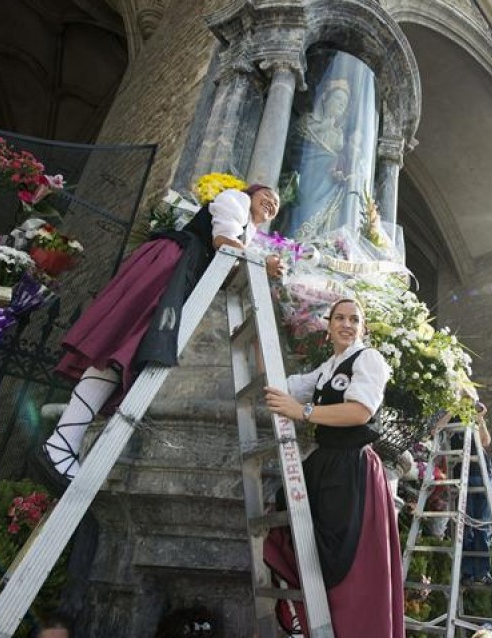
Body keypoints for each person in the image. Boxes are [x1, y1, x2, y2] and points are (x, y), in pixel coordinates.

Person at [39, 184, 281, 482]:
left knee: (124, 353)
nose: (272, 202)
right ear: (251, 192)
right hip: (171, 265)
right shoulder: (236, 199)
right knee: (123, 348)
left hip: (181, 272)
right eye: (267, 195)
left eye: (277, 204)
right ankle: (62, 442)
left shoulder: (248, 230)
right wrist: (260, 263)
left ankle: (64, 440)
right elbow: (222, 241)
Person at [262, 298, 403, 637]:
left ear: (362, 328)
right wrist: (259, 336)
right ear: (328, 324)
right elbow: (284, 386)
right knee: (288, 519)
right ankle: (305, 617)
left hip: (352, 466)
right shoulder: (328, 366)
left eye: (354, 319)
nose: (346, 324)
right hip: (326, 462)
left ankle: (343, 627)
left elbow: (359, 412)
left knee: (343, 558)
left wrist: (303, 412)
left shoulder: (369, 359)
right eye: (339, 317)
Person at [282, 79, 355, 240]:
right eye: (337, 99)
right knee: (304, 207)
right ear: (325, 99)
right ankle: (293, 240)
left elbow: (340, 156)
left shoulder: (339, 135)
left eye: (344, 103)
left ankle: (312, 241)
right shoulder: (309, 121)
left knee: (325, 215)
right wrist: (322, 127)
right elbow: (294, 143)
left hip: (327, 182)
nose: (341, 104)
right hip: (307, 175)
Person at [444, 397, 492, 586]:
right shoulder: (453, 419)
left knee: (482, 526)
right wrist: (454, 408)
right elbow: (437, 428)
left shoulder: (474, 419)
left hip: (481, 474)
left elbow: (486, 441)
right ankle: (467, 572)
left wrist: (480, 419)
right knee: (465, 525)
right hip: (463, 475)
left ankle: (482, 572)